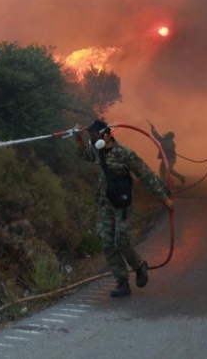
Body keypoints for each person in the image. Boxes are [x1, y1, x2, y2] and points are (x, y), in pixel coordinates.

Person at [74, 120, 174, 297]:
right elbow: (85, 155)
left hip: (122, 204)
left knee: (121, 240)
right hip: (105, 204)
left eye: (95, 136)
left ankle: (138, 265)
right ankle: (122, 282)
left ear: (107, 135)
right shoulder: (98, 152)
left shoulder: (124, 153)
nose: (93, 140)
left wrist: (164, 198)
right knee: (106, 242)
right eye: (91, 137)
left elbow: (146, 175)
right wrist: (78, 139)